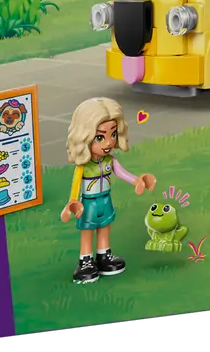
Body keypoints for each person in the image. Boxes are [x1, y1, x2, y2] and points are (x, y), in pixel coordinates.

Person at [60, 97, 156, 284]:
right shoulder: (84, 166)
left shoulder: (110, 161)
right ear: (84, 136)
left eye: (113, 135)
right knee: (87, 230)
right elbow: (76, 185)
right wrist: (72, 202)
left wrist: (137, 181)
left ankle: (104, 255)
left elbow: (122, 173)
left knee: (104, 226)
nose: (108, 143)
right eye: (100, 137)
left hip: (105, 199)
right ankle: (85, 260)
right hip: (88, 202)